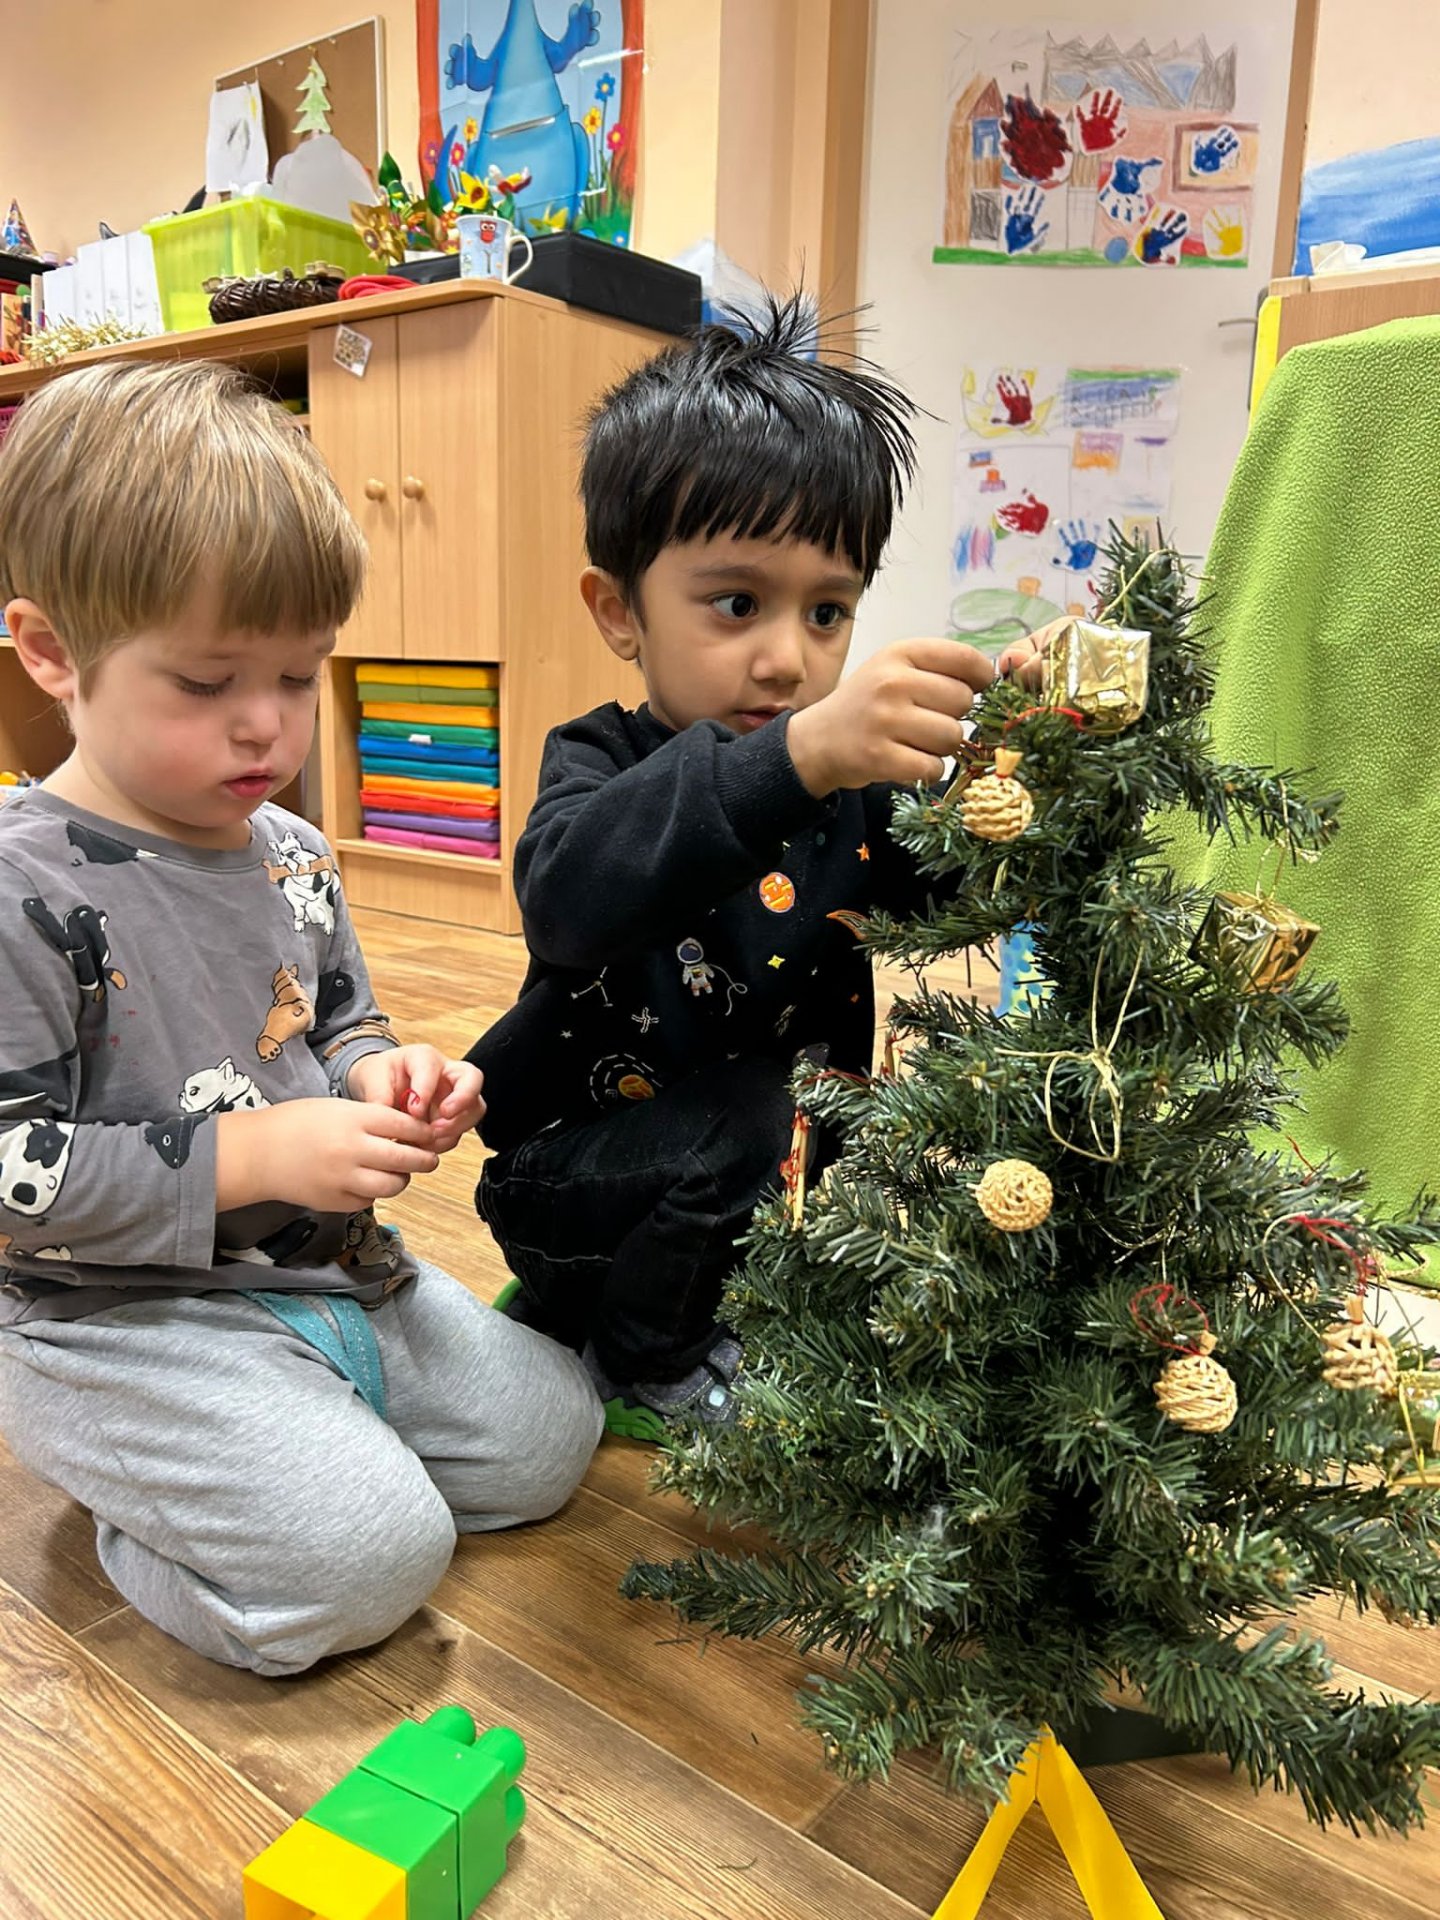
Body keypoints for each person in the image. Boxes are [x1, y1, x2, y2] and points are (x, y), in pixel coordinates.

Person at [0, 360, 601, 1676]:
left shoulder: (291, 851)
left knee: (552, 1437)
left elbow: (339, 1021)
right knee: (369, 1562)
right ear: (51, 652)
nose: (268, 727)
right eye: (208, 681)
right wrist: (253, 1154)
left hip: (326, 1269)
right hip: (115, 1322)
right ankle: (142, 1515)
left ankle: (291, 1435)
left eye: (297, 671)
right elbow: (12, 1177)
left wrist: (386, 1076)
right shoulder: (18, 889)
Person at [468, 297, 1042, 1437]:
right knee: (749, 1110)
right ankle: (647, 1358)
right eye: (737, 604)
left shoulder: (848, 789)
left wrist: (1021, 775)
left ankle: (729, 1300)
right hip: (572, 1191)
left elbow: (952, 899)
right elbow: (568, 904)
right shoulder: (598, 759)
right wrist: (798, 757)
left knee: (825, 1118)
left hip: (762, 1187)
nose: (788, 658)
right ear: (618, 612)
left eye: (828, 612)